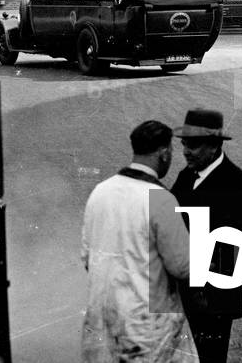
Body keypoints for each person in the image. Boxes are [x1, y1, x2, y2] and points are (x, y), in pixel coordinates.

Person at [81, 120, 198, 363]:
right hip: (147, 329)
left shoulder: (100, 192)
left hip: (102, 321)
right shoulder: (161, 199)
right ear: (164, 153)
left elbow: (87, 258)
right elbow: (182, 267)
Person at [170, 108, 242, 363]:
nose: (186, 150)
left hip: (212, 301)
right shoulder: (186, 177)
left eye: (194, 145)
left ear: (214, 145)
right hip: (182, 293)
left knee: (209, 358)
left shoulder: (238, 185)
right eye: (184, 143)